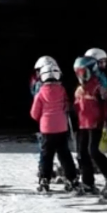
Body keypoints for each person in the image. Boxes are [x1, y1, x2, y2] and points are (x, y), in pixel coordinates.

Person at [30, 61, 78, 192]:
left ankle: (45, 179)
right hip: (61, 127)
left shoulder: (40, 92)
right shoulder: (62, 90)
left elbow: (34, 113)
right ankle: (72, 178)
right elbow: (66, 106)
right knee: (65, 154)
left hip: (46, 128)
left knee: (47, 155)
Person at [73, 56, 107, 194]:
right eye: (77, 72)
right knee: (81, 153)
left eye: (83, 72)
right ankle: (87, 182)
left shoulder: (97, 87)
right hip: (82, 123)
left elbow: (106, 105)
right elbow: (77, 106)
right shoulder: (80, 89)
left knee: (93, 151)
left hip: (95, 123)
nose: (80, 75)